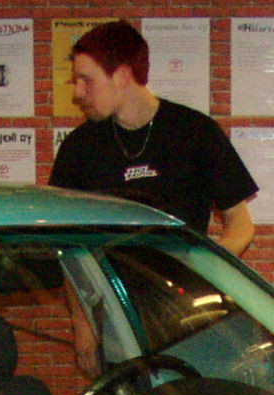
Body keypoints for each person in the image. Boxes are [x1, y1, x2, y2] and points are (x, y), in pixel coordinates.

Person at [48, 21, 257, 256]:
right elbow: (58, 237)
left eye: (87, 80)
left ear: (122, 76)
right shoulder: (78, 147)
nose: (77, 93)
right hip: (105, 291)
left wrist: (203, 268)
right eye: (76, 81)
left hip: (180, 288)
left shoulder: (196, 132)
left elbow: (240, 226)